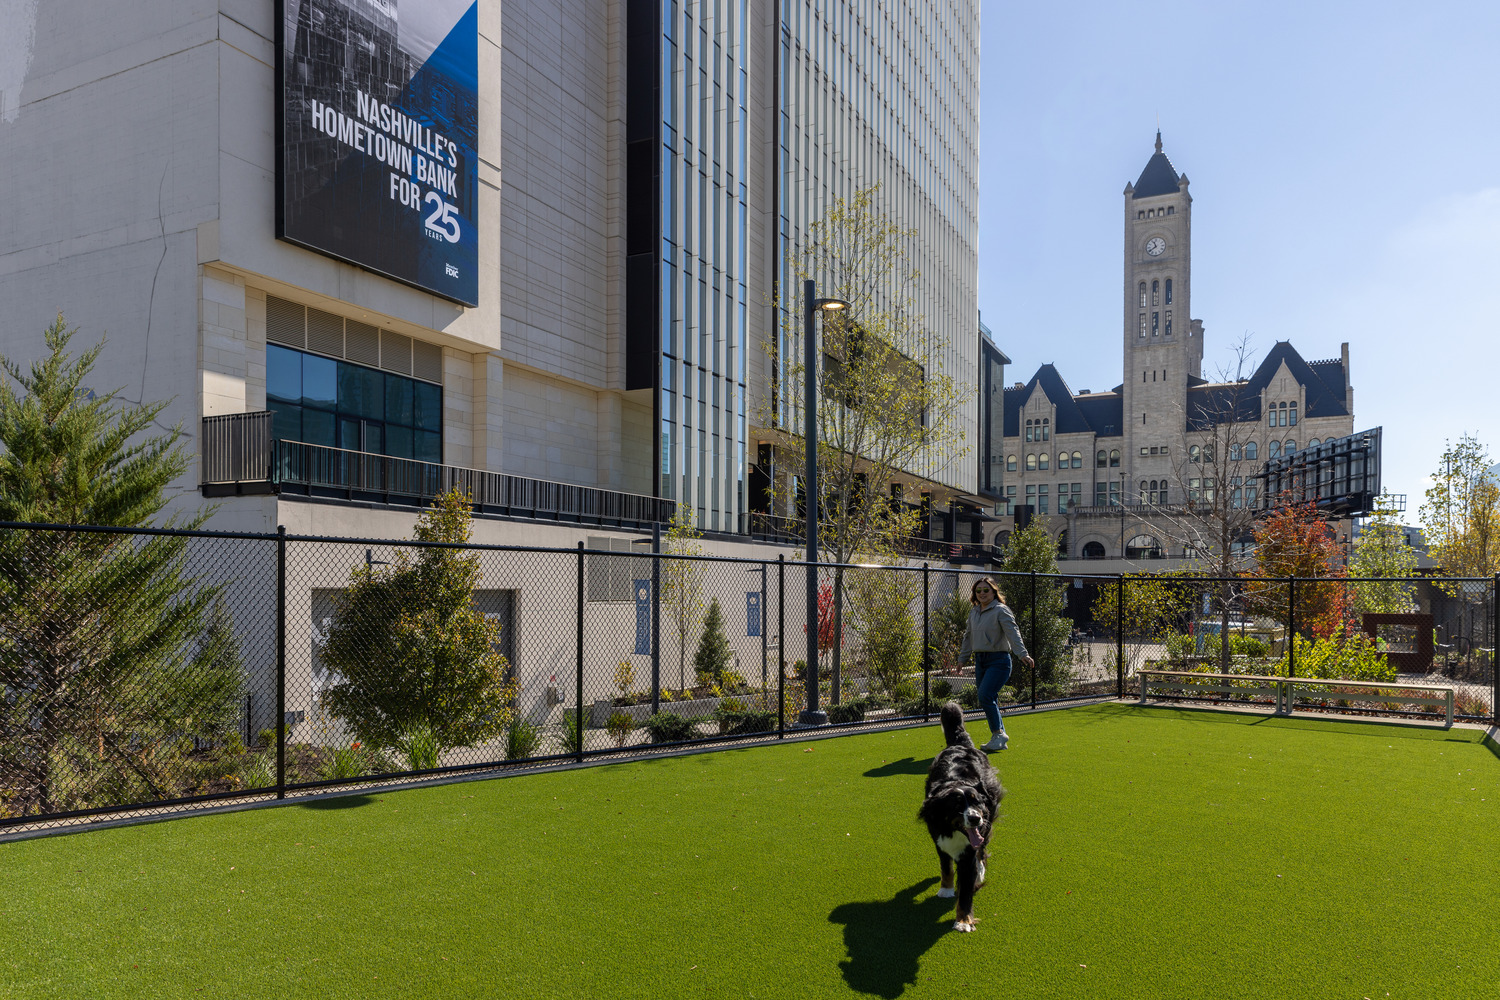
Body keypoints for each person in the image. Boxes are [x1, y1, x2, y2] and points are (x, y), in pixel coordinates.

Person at [957, 577, 1033, 752]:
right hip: (980, 660)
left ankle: (998, 734)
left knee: (985, 695)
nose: (982, 593)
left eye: (986, 590)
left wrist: (1023, 654)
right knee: (989, 697)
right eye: (978, 591)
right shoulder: (974, 612)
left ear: (993, 592)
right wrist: (962, 659)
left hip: (999, 660)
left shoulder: (1001, 610)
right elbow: (968, 637)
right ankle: (999, 737)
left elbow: (1013, 633)